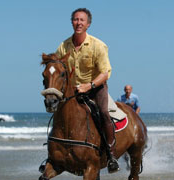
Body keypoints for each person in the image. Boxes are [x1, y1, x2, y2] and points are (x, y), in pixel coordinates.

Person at [55, 8, 119, 173]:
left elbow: (105, 73)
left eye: (82, 20)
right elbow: (57, 66)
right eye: (76, 19)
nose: (79, 22)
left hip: (96, 87)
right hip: (73, 91)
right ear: (72, 22)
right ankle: (54, 153)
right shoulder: (63, 46)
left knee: (103, 113)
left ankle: (111, 155)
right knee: (59, 114)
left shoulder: (98, 45)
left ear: (88, 24)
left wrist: (88, 85)